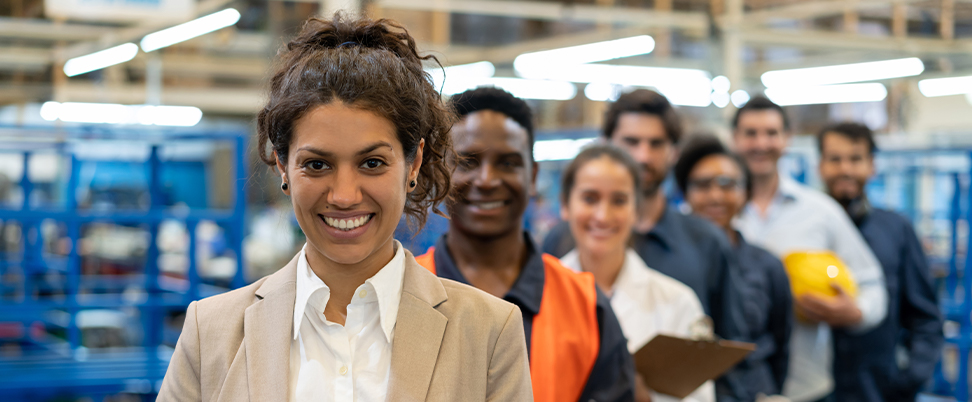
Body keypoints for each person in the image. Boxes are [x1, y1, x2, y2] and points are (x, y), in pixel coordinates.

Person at [157, 14, 533, 402]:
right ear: (283, 167)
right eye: (317, 165)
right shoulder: (211, 332)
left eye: (372, 163)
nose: (344, 195)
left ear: (414, 164)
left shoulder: (489, 331)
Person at [414, 87, 636, 402]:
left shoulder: (586, 306)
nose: (487, 179)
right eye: (468, 161)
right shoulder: (405, 292)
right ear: (441, 173)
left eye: (507, 163)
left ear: (533, 176)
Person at [542, 90, 750, 350]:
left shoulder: (706, 242)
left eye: (656, 144)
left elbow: (730, 342)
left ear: (673, 152)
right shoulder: (562, 239)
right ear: (606, 144)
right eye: (631, 141)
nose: (643, 156)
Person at [731, 96, 887, 402]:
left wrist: (855, 312)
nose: (761, 143)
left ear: (787, 140)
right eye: (750, 133)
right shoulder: (714, 213)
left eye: (771, 133)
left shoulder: (820, 212)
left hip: (805, 387)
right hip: (732, 386)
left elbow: (871, 284)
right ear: (734, 139)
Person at [557, 144, 714, 402]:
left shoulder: (677, 302)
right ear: (565, 204)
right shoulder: (537, 297)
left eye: (619, 200)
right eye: (589, 198)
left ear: (636, 211)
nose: (603, 215)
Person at [817, 122, 943, 402]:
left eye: (855, 158)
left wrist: (910, 378)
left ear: (872, 165)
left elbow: (925, 317)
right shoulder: (806, 232)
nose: (845, 169)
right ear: (820, 166)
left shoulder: (896, 230)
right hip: (816, 389)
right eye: (835, 159)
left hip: (879, 388)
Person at [673, 135, 793, 398]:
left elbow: (781, 345)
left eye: (727, 184)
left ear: (746, 192)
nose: (715, 196)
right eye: (702, 185)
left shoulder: (767, 266)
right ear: (685, 192)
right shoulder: (668, 263)